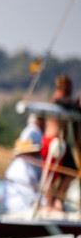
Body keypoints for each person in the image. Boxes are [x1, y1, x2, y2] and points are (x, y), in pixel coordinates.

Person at [41, 75, 76, 212]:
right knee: (50, 175)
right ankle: (49, 204)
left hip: (62, 144)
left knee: (71, 171)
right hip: (52, 142)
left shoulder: (66, 101)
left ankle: (58, 201)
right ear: (64, 87)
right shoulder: (57, 98)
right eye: (69, 87)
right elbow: (63, 102)